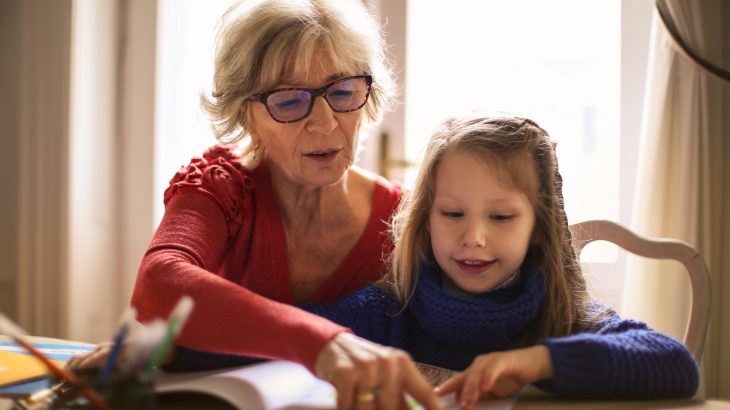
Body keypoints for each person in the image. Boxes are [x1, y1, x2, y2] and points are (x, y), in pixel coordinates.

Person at [76, 0, 441, 408]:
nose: (324, 123)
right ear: (245, 115)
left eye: (342, 92)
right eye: (288, 101)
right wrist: (319, 341)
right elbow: (159, 283)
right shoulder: (223, 184)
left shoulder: (404, 219)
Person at [298, 113, 700, 408]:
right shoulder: (387, 312)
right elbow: (274, 339)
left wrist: (537, 363)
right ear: (425, 220)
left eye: (502, 217)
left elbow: (676, 365)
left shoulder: (564, 319)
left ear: (539, 227)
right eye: (452, 214)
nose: (473, 238)